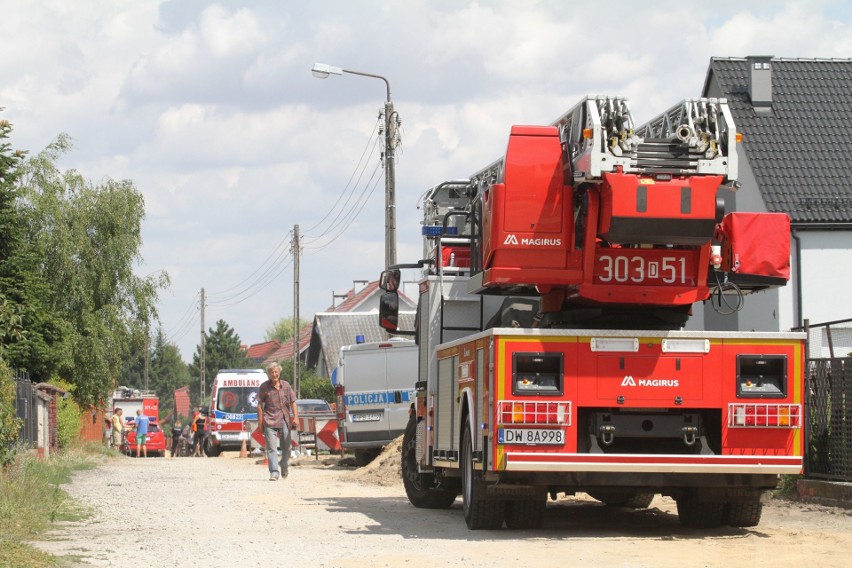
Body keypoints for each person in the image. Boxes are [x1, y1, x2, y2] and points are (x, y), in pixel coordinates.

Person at [257, 362, 299, 480]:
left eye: (276, 372)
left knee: (287, 447)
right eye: (271, 372)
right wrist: (260, 423)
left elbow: (293, 402)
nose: (274, 374)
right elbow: (260, 405)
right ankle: (274, 472)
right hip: (269, 420)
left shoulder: (286, 385)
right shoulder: (264, 387)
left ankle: (284, 465)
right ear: (269, 374)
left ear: (279, 373)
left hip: (284, 419)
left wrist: (295, 417)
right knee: (271, 448)